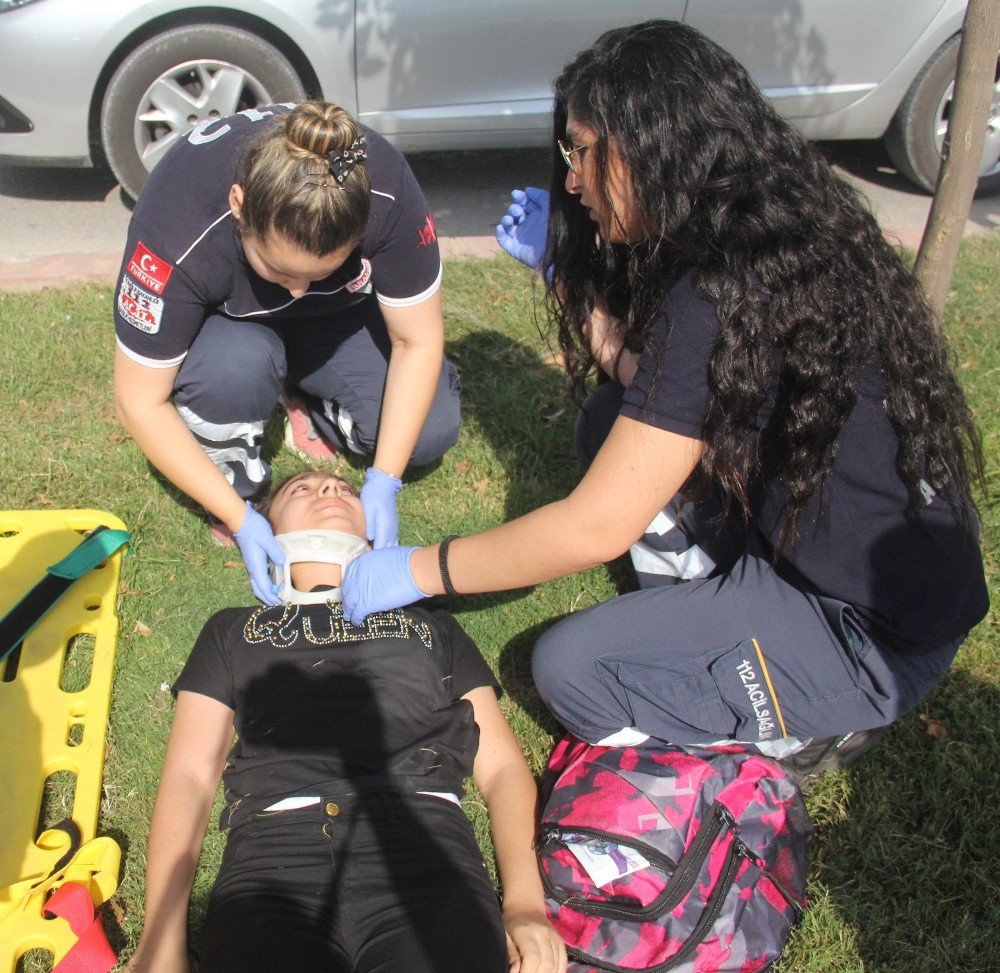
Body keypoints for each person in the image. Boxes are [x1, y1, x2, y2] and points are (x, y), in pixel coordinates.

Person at [339, 21, 989, 780]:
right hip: (840, 547)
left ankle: (811, 727)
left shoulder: (714, 289)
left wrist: (418, 570)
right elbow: (666, 380)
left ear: (646, 147)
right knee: (607, 421)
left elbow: (594, 527)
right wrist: (561, 270)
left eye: (581, 151)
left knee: (571, 668)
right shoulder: (770, 223)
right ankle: (713, 613)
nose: (572, 179)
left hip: (867, 636)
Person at [126, 469, 566, 973]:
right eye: (303, 489)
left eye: (345, 489)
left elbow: (504, 772)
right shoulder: (234, 630)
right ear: (265, 529)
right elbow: (189, 776)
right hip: (274, 853)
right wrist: (160, 936)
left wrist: (526, 905)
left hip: (422, 845)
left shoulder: (431, 625)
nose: (331, 491)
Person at [113, 101, 460, 605]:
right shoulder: (177, 222)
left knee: (428, 432)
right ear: (239, 204)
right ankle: (243, 457)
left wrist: (384, 479)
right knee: (234, 374)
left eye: (319, 272)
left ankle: (304, 392)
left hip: (337, 320)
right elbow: (139, 403)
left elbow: (418, 340)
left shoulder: (387, 191)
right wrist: (239, 515)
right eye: (277, 270)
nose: (296, 290)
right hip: (231, 329)